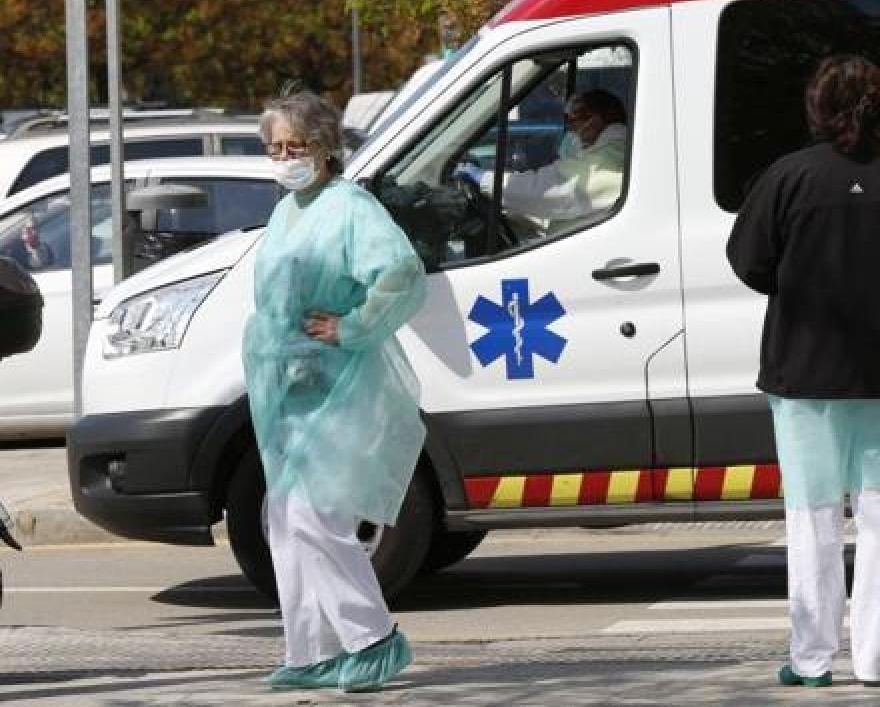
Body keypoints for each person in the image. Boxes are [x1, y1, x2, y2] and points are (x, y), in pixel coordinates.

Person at [727, 55, 880, 687]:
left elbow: (748, 263)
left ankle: (811, 657)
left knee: (812, 518)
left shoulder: (787, 178)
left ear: (815, 108)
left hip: (803, 377)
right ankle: (873, 657)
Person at [243, 92, 427, 691]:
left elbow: (399, 272)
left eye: (295, 146)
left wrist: (351, 327)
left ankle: (372, 639)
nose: (283, 157)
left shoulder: (351, 207)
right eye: (274, 147)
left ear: (325, 147)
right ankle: (312, 649)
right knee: (285, 517)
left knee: (316, 514)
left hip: (340, 381)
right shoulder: (288, 210)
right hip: (292, 386)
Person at [465, 89, 628, 231]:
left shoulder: (609, 159)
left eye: (574, 122)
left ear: (595, 120)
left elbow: (552, 191)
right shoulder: (608, 152)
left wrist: (484, 180)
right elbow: (567, 209)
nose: (572, 131)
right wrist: (516, 213)